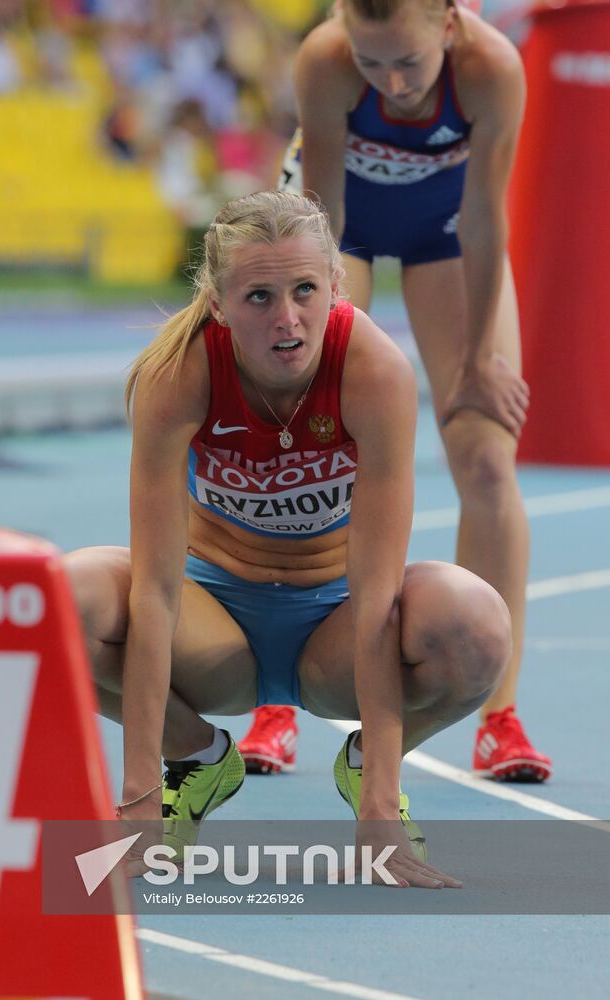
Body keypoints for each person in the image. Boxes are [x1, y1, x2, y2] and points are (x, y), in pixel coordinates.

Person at [66, 189, 511, 887]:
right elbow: (153, 592)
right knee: (63, 600)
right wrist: (138, 796)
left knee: (475, 623)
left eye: (304, 290)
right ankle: (200, 757)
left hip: (335, 629)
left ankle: (366, 765)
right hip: (211, 625)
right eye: (258, 298)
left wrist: (377, 809)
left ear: (336, 285)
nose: (287, 320)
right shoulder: (175, 375)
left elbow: (376, 597)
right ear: (217, 303)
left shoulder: (374, 373)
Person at [267, 0, 551, 782]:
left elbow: (487, 216)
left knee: (487, 454)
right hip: (339, 231)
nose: (390, 84)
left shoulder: (491, 68)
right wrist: (312, 373)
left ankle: (498, 714)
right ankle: (272, 700)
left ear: (450, 26)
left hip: (446, 236)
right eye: (372, 64)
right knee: (304, 437)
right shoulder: (324, 60)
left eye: (407, 65)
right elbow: (317, 231)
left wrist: (475, 364)